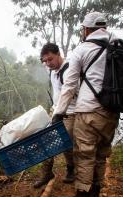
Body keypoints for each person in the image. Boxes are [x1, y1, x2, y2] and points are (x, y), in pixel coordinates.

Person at [52, 12, 119, 197]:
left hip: (89, 110)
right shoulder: (121, 45)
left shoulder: (82, 49)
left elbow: (70, 85)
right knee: (101, 154)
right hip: (112, 111)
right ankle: (95, 195)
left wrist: (58, 112)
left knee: (84, 154)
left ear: (87, 29)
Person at [34, 43, 77, 188]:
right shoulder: (52, 71)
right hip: (56, 110)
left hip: (70, 113)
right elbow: (57, 93)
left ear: (59, 54)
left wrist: (60, 113)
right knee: (47, 140)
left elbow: (70, 93)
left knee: (66, 144)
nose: (47, 63)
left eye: (50, 59)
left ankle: (71, 168)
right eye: (44, 61)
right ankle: (46, 173)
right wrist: (54, 111)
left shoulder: (70, 69)